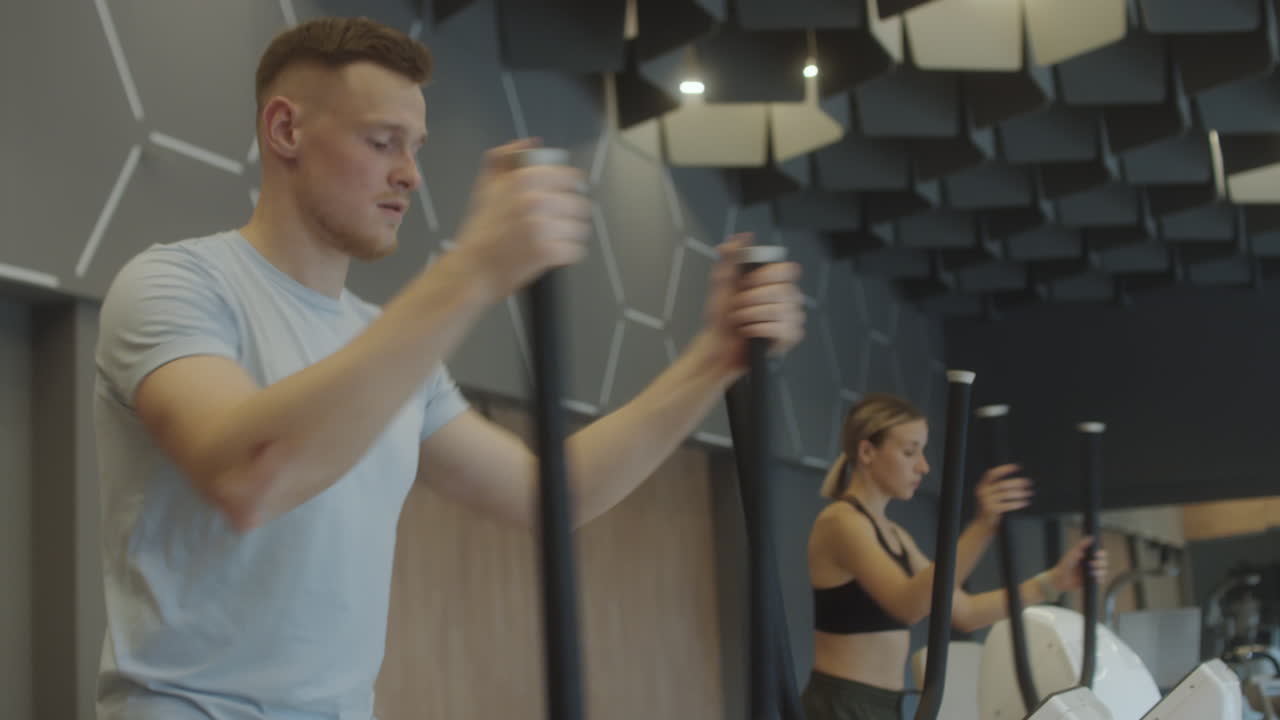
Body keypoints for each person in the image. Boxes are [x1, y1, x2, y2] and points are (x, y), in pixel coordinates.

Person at [91, 16, 804, 720]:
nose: (410, 174)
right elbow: (251, 475)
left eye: (417, 147)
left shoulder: (386, 346)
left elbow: (549, 494)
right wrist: (470, 271)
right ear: (285, 131)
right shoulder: (176, 286)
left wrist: (713, 362)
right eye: (382, 142)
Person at [801, 393, 1107, 720]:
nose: (923, 466)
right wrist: (982, 526)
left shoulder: (894, 534)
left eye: (922, 451)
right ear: (866, 451)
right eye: (909, 451)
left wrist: (1051, 582)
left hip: (882, 705)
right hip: (841, 704)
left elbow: (965, 611)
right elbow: (907, 605)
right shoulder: (840, 522)